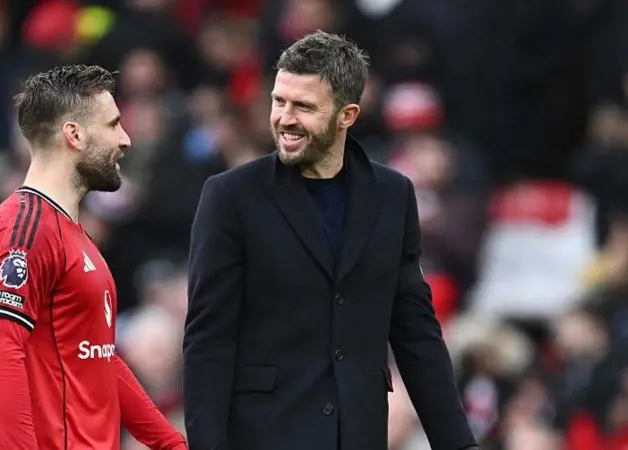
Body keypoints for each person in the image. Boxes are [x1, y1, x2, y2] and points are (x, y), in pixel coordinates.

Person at [183, 31, 478, 450]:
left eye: (303, 106)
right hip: (263, 436)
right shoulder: (231, 196)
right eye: (278, 101)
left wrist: (458, 443)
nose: (284, 118)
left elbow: (415, 330)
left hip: (358, 434)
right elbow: (207, 339)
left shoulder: (393, 195)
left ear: (347, 115)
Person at [0, 65, 187, 450]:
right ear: (74, 134)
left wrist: (171, 444)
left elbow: (99, 360)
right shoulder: (22, 229)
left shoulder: (73, 234)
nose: (125, 139)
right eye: (113, 125)